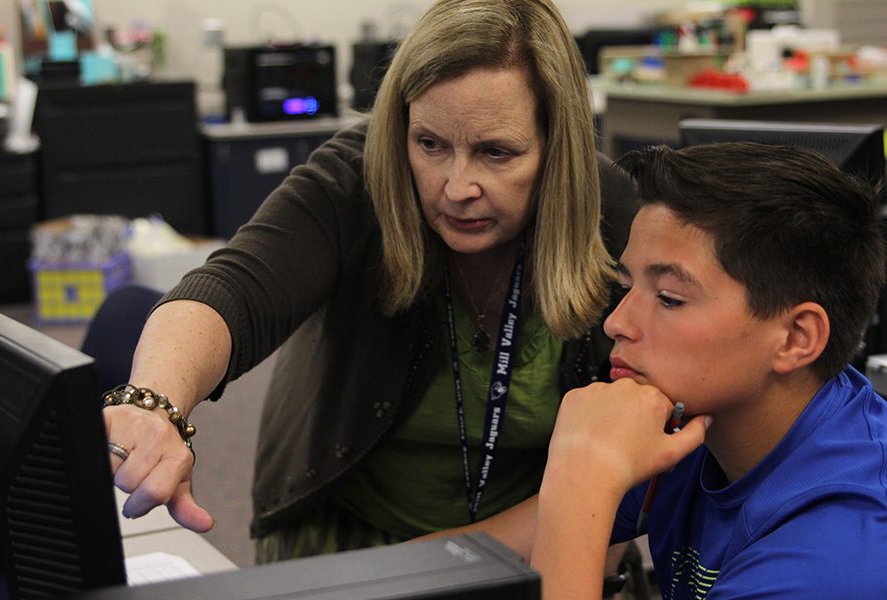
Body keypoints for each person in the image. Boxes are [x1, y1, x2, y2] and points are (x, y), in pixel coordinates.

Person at [101, 0, 640, 570]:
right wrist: (153, 403)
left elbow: (642, 462)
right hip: (348, 546)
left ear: (559, 149)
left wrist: (442, 561)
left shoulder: (615, 218)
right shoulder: (355, 180)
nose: (457, 187)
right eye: (429, 144)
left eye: (496, 152)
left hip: (540, 543)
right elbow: (232, 290)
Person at [433, 142, 887, 598]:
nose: (616, 323)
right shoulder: (698, 425)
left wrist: (583, 478)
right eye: (628, 286)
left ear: (796, 338)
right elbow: (470, 558)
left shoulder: (836, 555)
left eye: (669, 299)